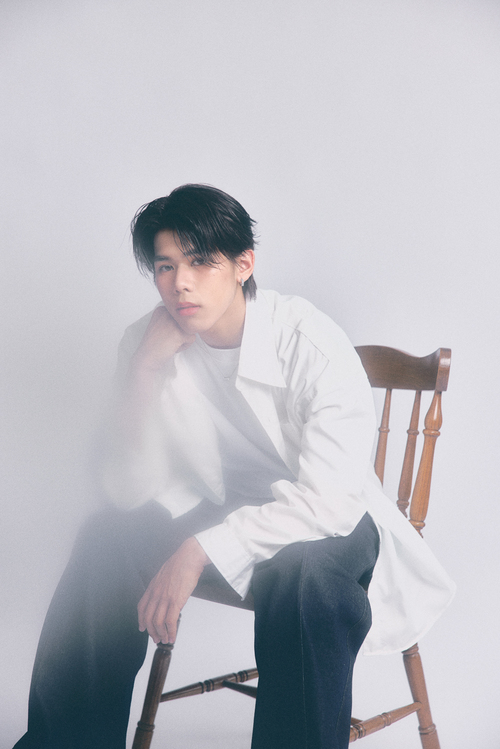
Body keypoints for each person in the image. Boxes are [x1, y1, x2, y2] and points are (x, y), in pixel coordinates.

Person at [14, 184, 455, 749]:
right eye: (165, 266)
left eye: (201, 261)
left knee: (305, 576)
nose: (181, 283)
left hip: (325, 520)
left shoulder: (310, 344)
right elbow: (127, 491)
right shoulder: (147, 341)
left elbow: (331, 500)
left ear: (244, 264)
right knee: (107, 536)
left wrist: (200, 549)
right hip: (218, 506)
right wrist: (144, 371)